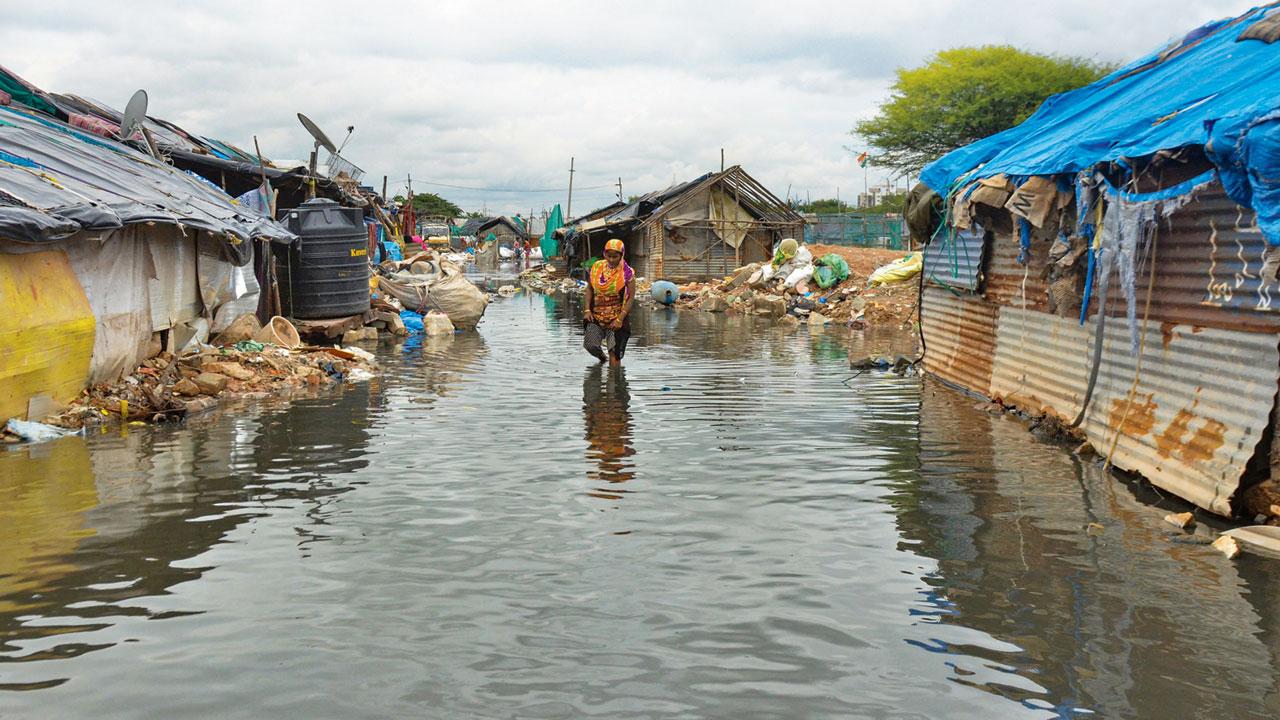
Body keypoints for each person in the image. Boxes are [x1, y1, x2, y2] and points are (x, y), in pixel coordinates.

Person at [583, 238, 636, 365]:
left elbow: (630, 297)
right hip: (596, 316)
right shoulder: (597, 267)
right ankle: (602, 359)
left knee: (614, 351)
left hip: (616, 318)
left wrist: (620, 319)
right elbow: (590, 289)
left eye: (615, 256)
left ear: (621, 255)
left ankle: (614, 381)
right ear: (604, 254)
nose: (611, 259)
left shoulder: (627, 273)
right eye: (609, 256)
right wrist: (586, 310)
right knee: (590, 345)